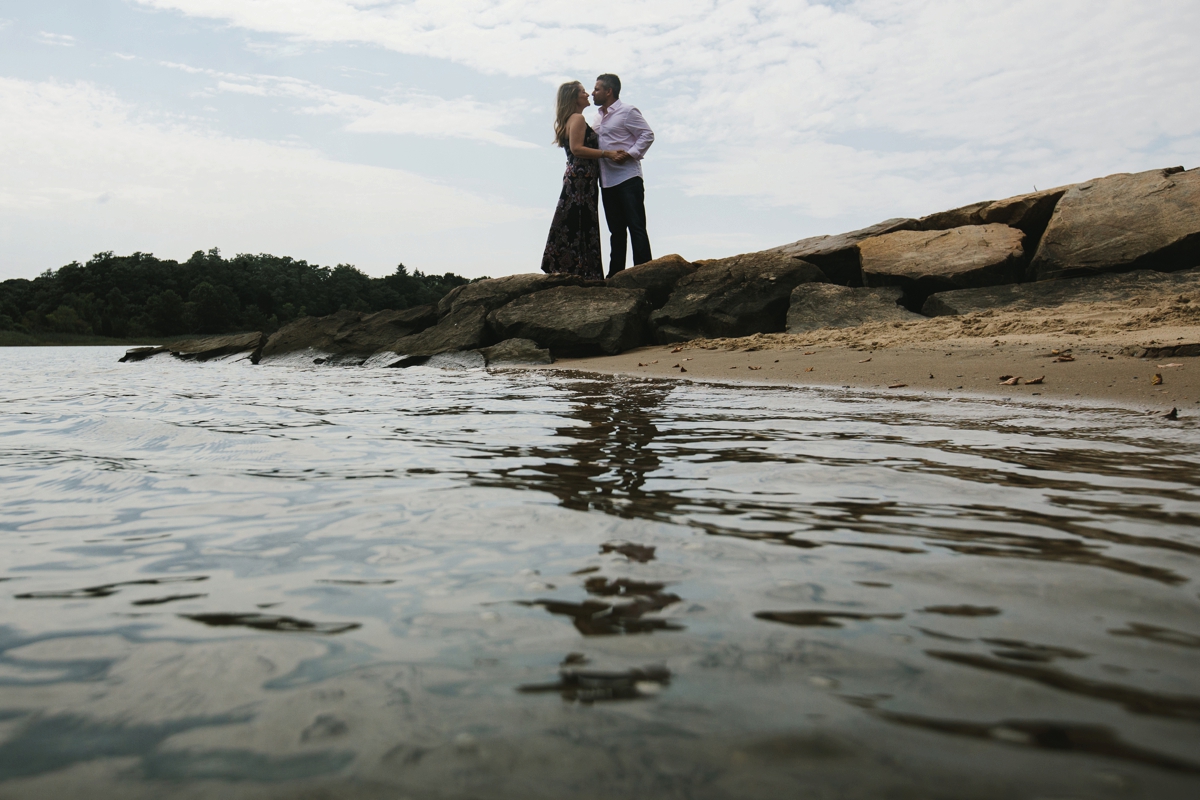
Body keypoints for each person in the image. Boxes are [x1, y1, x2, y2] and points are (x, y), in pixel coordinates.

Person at [541, 81, 626, 279]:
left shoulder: (570, 119)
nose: (587, 94)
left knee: (575, 219)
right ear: (574, 97)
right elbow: (577, 148)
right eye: (582, 92)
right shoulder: (577, 118)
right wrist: (608, 154)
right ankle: (581, 269)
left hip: (579, 177)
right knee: (580, 220)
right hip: (581, 177)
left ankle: (573, 266)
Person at [592, 73, 654, 278]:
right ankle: (616, 274)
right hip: (607, 181)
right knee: (616, 231)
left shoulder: (627, 111)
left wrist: (631, 154)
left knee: (636, 226)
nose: (593, 92)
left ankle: (643, 272)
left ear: (609, 91)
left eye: (597, 89)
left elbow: (647, 134)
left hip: (628, 178)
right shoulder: (597, 117)